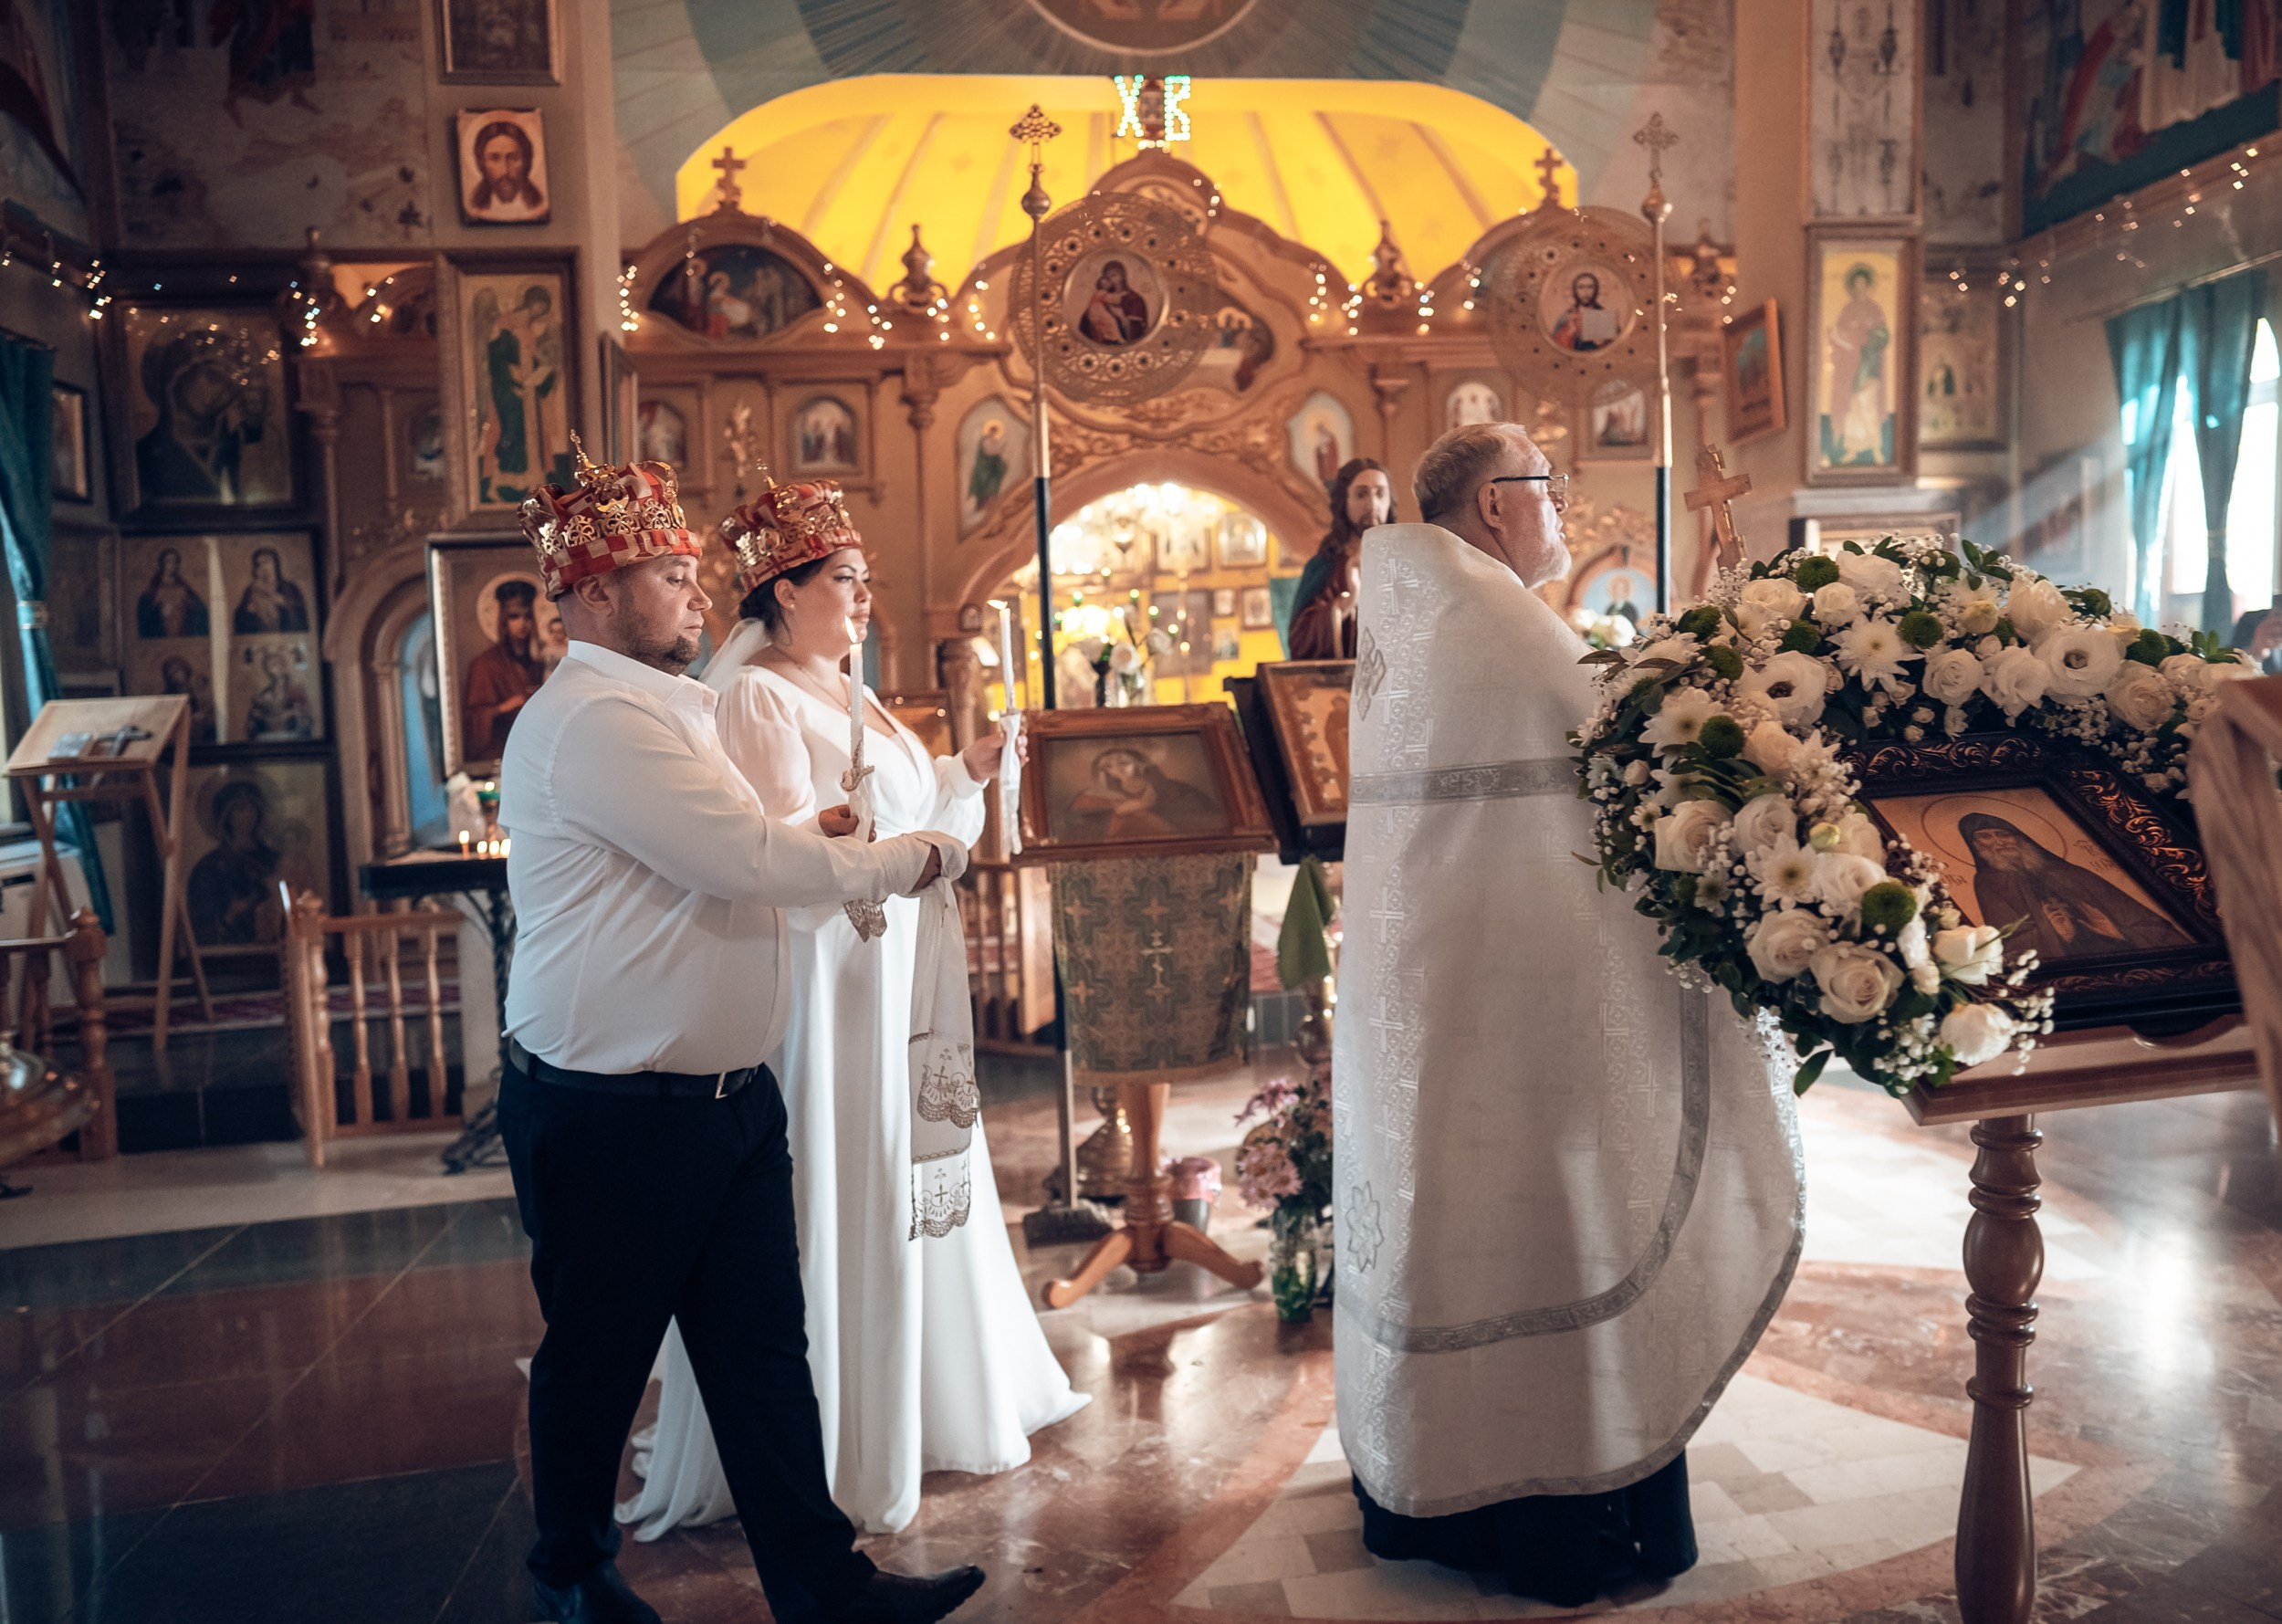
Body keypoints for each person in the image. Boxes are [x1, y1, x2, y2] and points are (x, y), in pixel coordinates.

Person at [497, 445, 986, 1624]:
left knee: (765, 1358)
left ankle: (824, 1586)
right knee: (599, 1360)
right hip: (617, 1107)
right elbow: (748, 860)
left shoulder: (666, 708)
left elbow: (725, 848)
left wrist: (809, 829)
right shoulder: (597, 720)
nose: (696, 589)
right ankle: (572, 1572)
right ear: (593, 592)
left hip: (720, 1097)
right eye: (667, 570)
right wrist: (911, 855)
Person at [1333, 422, 1802, 1608]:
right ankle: (1556, 1522)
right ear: (1495, 503)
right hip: (1522, 1013)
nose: (1564, 511)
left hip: (1452, 1006)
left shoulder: (1417, 618)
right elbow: (1643, 745)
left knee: (1468, 1238)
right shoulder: (1493, 618)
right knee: (1550, 1227)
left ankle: (1440, 1489)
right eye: (1549, 488)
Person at [621, 477, 1087, 1541]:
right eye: (844, 580)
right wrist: (869, 835)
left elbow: (907, 807)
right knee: (847, 1174)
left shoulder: (853, 692)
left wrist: (965, 772)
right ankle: (837, 1438)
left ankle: (924, 1404)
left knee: (915, 1167)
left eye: (868, 581)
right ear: (782, 593)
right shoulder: (759, 696)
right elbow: (780, 844)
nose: (864, 599)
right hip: (833, 981)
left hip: (896, 969)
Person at [1959, 812, 2184, 962]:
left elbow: (2151, 925)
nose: (1998, 842)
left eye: (2004, 834)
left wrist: (2118, 932)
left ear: (2019, 838)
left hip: (2127, 952)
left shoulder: (2071, 873)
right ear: (1975, 846)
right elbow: (2008, 941)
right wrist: (2056, 936)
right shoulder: (1989, 883)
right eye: (1985, 837)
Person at [1286, 458, 1396, 660]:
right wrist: (1347, 601)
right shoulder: (1323, 567)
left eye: (1381, 494)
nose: (1373, 505)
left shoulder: (1402, 564)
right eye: (1361, 494)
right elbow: (1299, 642)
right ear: (1343, 501)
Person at [462, 578, 549, 761]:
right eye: (514, 617)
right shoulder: (484, 664)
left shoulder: (543, 660)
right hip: (503, 751)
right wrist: (504, 707)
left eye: (527, 616)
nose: (522, 623)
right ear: (503, 620)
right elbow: (473, 719)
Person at [1062, 745, 1221, 839]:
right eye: (1108, 766)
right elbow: (1079, 828)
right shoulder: (1095, 796)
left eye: (1124, 763)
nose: (1117, 769)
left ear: (1141, 764)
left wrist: (1138, 809)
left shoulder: (1175, 790)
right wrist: (1121, 813)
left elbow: (1205, 821)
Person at [466, 117, 545, 219]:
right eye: (494, 158)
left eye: (513, 158)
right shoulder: (475, 208)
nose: (505, 170)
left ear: (526, 161)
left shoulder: (538, 205)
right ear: (481, 163)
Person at [232, 545, 311, 633]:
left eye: (267, 562)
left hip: (284, 638)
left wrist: (283, 603)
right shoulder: (250, 590)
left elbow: (300, 616)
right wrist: (249, 612)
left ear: (275, 564)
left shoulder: (289, 588)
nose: (263, 567)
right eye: (259, 564)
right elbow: (239, 620)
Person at [137, 547, 209, 637]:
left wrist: (188, 602)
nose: (172, 564)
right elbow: (145, 610)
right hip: (161, 632)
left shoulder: (183, 586)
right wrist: (157, 604)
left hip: (182, 631)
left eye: (175, 561)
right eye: (169, 561)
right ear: (162, 563)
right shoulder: (154, 588)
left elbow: (201, 608)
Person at [1080, 259, 1149, 345]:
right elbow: (1085, 325)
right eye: (1107, 278)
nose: (1111, 280)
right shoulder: (1101, 297)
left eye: (1114, 275)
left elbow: (1139, 331)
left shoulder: (1135, 299)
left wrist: (1122, 317)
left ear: (1123, 276)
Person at [1549, 270, 1621, 351]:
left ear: (1596, 290)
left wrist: (1604, 342)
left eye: (1590, 287)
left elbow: (1619, 345)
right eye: (1581, 287)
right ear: (1575, 290)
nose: (1586, 292)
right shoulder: (1566, 317)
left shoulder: (1605, 316)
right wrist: (1570, 332)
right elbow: (1555, 346)